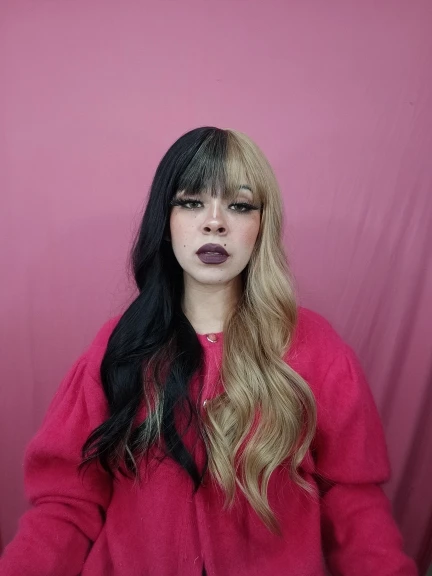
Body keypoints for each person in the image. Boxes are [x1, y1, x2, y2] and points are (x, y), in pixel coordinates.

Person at [0, 127, 417, 575]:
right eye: (191, 202)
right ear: (165, 221)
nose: (214, 222)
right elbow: (65, 505)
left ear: (262, 224)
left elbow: (355, 509)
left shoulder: (316, 350)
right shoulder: (117, 348)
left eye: (239, 205)